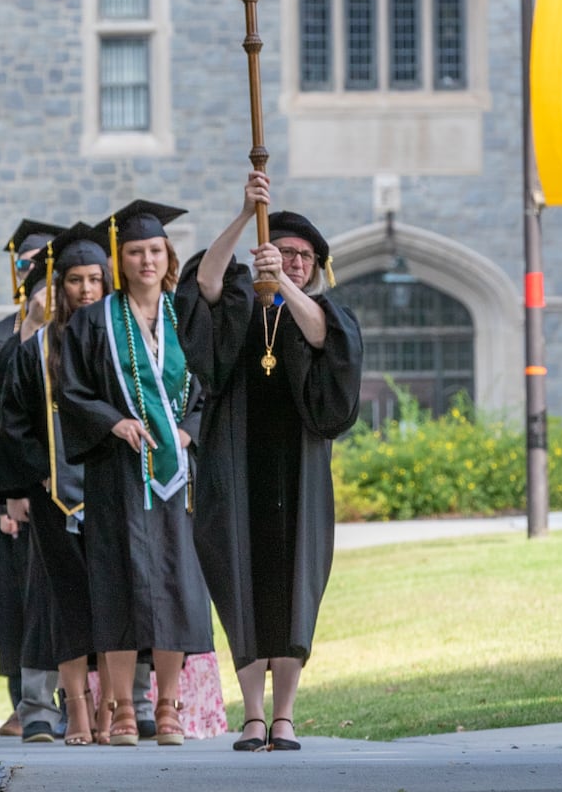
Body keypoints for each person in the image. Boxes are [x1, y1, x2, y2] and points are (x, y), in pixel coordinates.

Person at [174, 171, 363, 752]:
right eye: (283, 250)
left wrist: (284, 283)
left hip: (298, 469)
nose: (295, 260)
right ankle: (252, 715)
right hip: (237, 466)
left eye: (305, 255)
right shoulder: (238, 303)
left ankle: (285, 716)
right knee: (241, 578)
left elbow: (322, 334)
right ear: (260, 252)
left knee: (291, 584)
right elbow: (203, 283)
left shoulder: (325, 311)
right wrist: (243, 213)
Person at [59, 201, 212, 747]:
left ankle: (167, 708)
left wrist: (190, 429)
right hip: (116, 475)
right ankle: (123, 709)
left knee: (176, 586)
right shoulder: (91, 321)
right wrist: (113, 421)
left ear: (166, 253)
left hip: (175, 480)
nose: (147, 259)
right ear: (118, 259)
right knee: (118, 585)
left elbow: (207, 388)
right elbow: (72, 392)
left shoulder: (186, 317)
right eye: (134, 252)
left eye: (155, 250)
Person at [0, 222, 112, 747]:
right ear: (58, 285)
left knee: (114, 602)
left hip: (116, 489)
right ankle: (79, 714)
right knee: (66, 605)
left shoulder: (123, 339)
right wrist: (36, 475)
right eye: (75, 281)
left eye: (94, 280)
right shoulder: (35, 349)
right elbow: (13, 422)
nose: (86, 290)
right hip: (54, 493)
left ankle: (113, 713)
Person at [0, 218, 66, 739]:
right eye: (27, 263)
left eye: (44, 262)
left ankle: (73, 697)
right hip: (15, 490)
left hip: (67, 486)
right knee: (17, 595)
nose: (35, 271)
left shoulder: (81, 330)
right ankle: (24, 702)